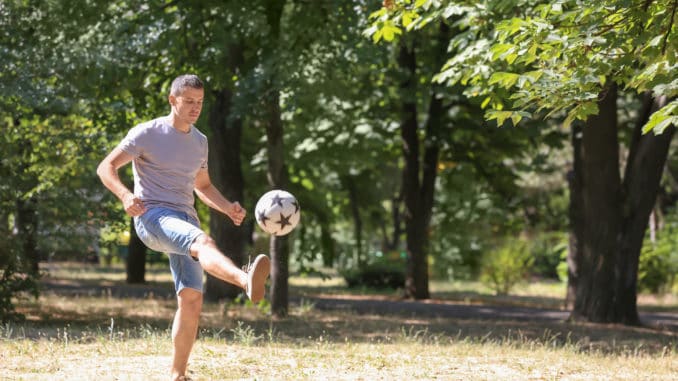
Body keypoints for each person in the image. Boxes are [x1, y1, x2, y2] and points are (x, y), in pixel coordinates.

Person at [96, 74, 270, 381]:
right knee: (204, 243)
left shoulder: (199, 141)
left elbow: (202, 185)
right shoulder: (148, 133)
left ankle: (177, 374)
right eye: (188, 101)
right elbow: (105, 166)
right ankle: (245, 281)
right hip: (153, 217)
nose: (195, 108)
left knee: (191, 299)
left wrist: (227, 207)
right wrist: (125, 195)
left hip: (185, 217)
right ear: (172, 100)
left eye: (199, 102)